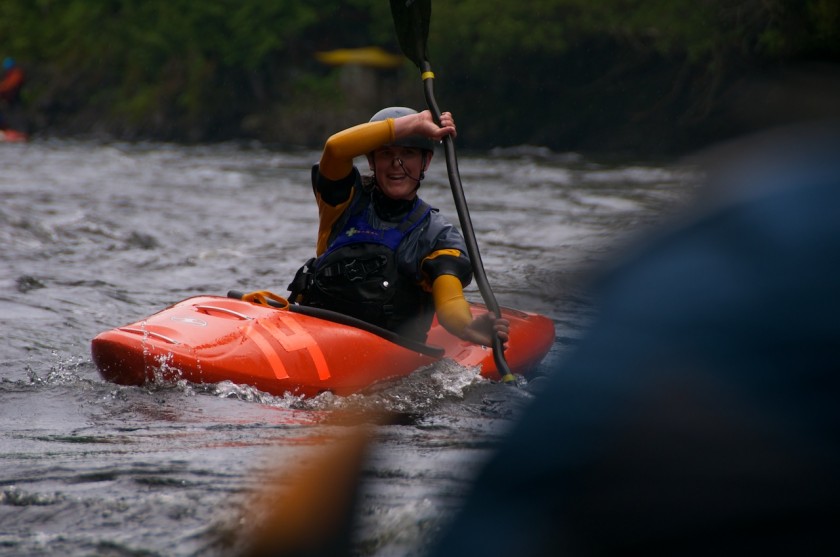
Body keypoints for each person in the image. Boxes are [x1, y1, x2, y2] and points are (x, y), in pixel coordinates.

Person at [287, 106, 509, 346]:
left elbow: (450, 303)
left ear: (426, 161)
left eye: (409, 153)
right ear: (371, 161)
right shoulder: (343, 201)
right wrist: (415, 123)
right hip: (315, 331)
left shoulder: (438, 236)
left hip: (386, 347)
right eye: (385, 154)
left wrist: (467, 327)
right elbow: (335, 148)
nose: (396, 163)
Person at [0, 57, 24, 131]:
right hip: (8, 100)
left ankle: (17, 131)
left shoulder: (16, 74)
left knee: (16, 117)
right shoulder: (9, 75)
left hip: (14, 100)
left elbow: (9, 86)